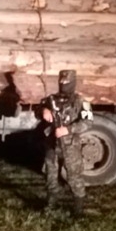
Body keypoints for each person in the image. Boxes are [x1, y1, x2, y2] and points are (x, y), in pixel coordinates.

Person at [40, 69, 93, 216]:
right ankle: (51, 204)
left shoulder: (81, 101)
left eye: (67, 82)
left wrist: (68, 130)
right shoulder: (51, 100)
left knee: (74, 175)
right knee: (51, 175)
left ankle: (78, 209)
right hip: (52, 144)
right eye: (62, 82)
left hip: (70, 145)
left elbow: (88, 122)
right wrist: (44, 111)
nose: (64, 85)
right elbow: (39, 108)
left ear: (73, 82)